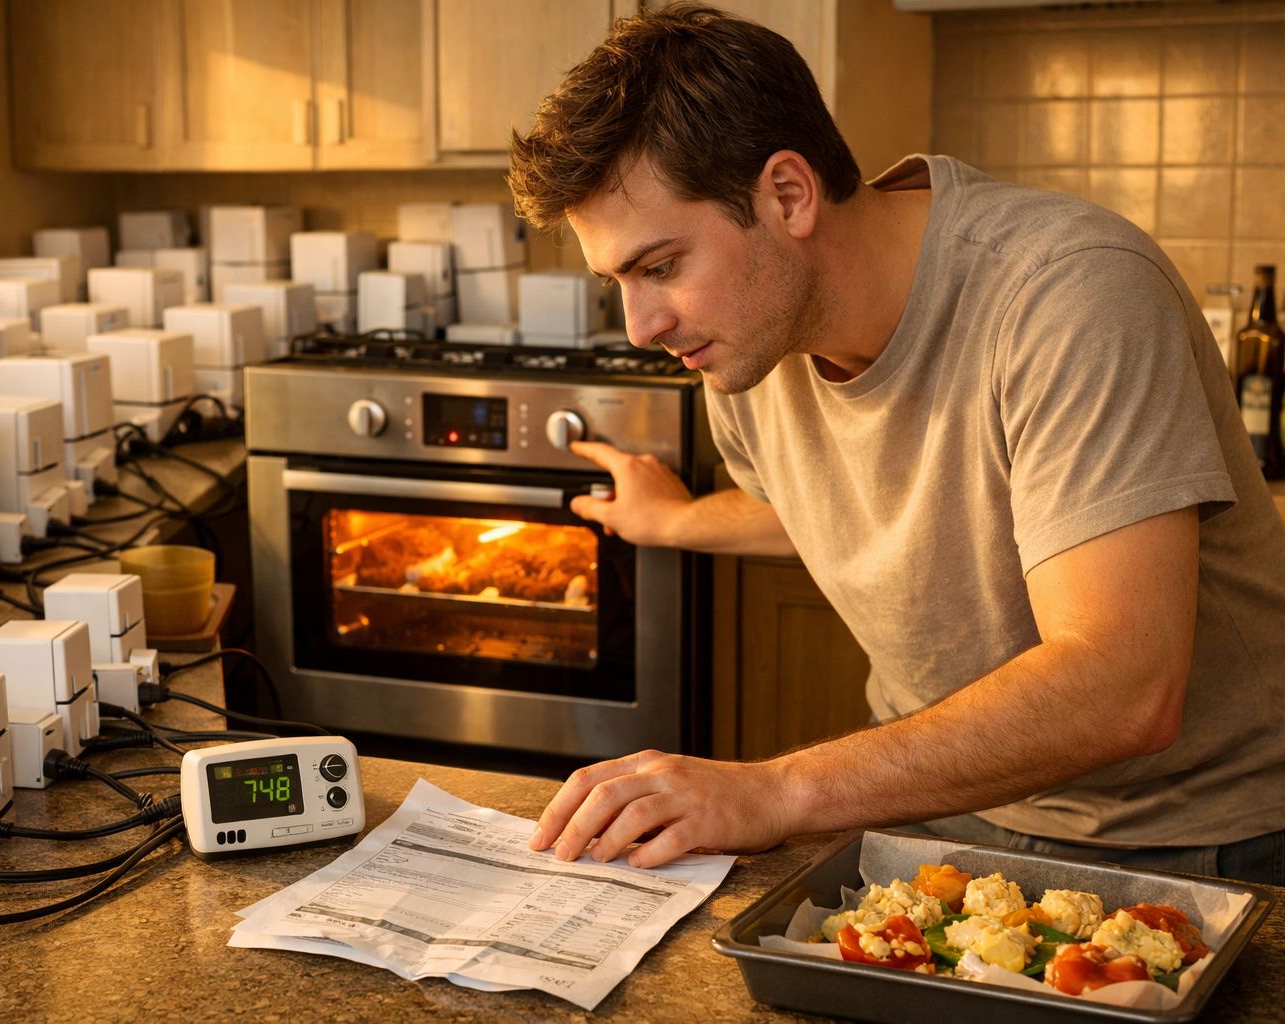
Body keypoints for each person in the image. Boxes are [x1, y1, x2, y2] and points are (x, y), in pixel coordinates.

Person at [505, 2, 1285, 885]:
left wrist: (778, 790)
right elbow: (836, 503)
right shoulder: (747, 343)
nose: (639, 324)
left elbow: (1126, 689)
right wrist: (680, 522)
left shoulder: (1069, 294)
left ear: (788, 195)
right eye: (616, 280)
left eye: (659, 266)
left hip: (1194, 845)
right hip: (936, 819)